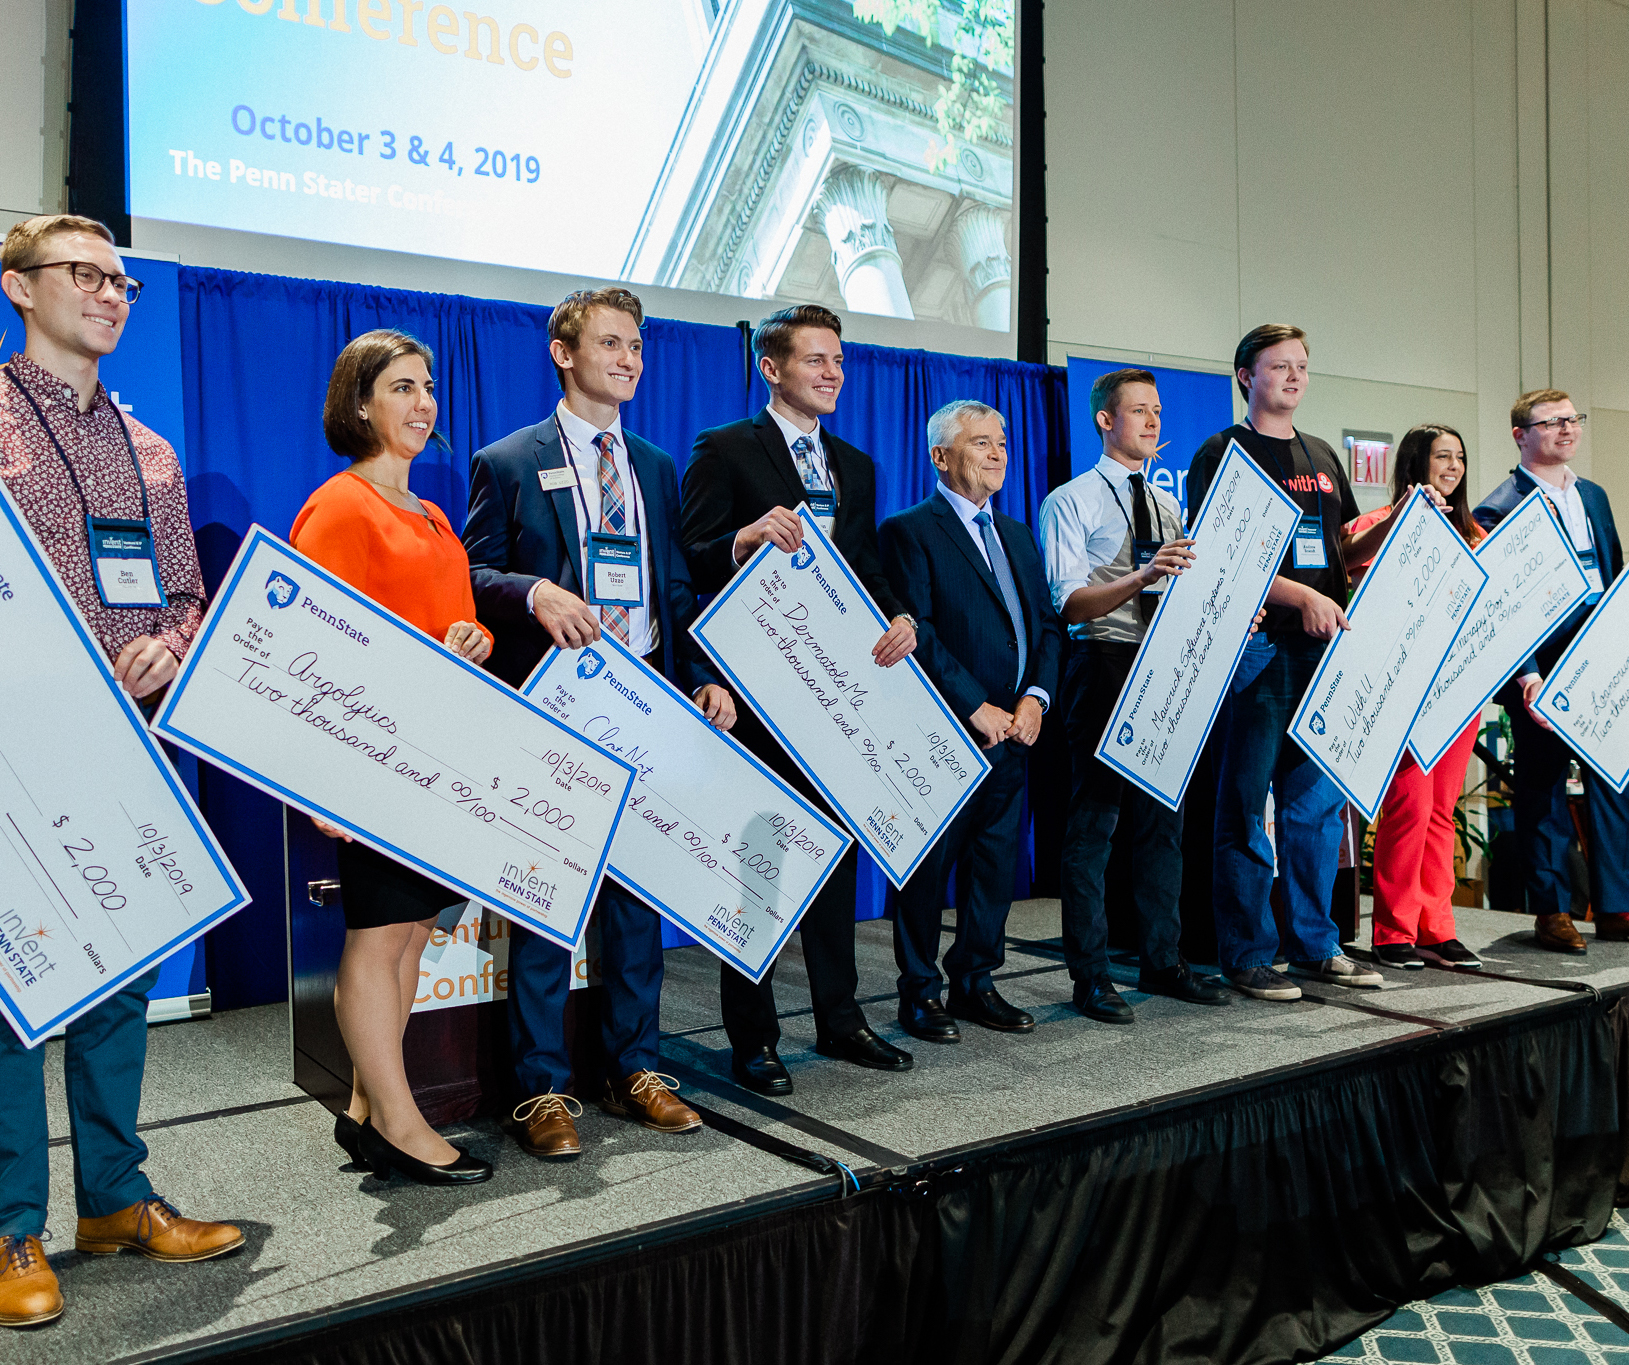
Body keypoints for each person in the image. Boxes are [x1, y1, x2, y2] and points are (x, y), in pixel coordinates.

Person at [0, 214, 242, 1329]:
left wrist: (173, 645)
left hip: (133, 737)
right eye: (82, 274)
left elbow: (184, 588)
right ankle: (12, 1226)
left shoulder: (150, 449)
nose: (107, 293)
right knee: (17, 990)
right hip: (19, 745)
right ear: (18, 289)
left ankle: (114, 1196)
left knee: (122, 970)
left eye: (121, 280)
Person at [464, 287, 732, 1159]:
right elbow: (472, 571)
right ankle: (541, 1087)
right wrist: (534, 592)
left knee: (635, 901)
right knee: (549, 899)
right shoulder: (508, 460)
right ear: (563, 352)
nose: (627, 359)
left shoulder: (655, 465)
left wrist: (700, 677)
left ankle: (636, 1068)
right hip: (555, 704)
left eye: (636, 346)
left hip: (647, 699)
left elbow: (676, 591)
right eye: (610, 343)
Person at [681, 304, 917, 1094]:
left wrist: (899, 615)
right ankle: (753, 1039)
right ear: (771, 368)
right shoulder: (724, 450)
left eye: (839, 361)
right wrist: (740, 541)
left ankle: (841, 1019)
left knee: (836, 867)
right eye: (815, 360)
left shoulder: (855, 463)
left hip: (835, 699)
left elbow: (867, 572)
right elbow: (686, 563)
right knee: (757, 864)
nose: (831, 373)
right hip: (754, 696)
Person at [292, 329, 495, 1187]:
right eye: (402, 387)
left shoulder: (433, 511)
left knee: (412, 933)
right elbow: (310, 648)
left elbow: (455, 617)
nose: (423, 403)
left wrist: (473, 637)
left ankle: (368, 1113)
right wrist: (321, 776)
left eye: (428, 387)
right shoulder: (339, 507)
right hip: (372, 756)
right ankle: (403, 1124)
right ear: (360, 402)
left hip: (433, 752)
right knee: (377, 939)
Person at [1185, 324, 1385, 1000]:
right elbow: (1219, 555)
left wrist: (1399, 526)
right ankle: (1246, 953)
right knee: (1244, 809)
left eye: (1302, 365)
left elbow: (1342, 549)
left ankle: (1313, 944)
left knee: (1314, 809)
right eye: (1279, 366)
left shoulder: (1322, 453)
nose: (1295, 377)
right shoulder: (1223, 453)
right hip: (1260, 649)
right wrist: (1298, 595)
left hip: (1322, 652)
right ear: (1245, 375)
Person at [1038, 369, 1231, 1022]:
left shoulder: (1167, 505)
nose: (1152, 422)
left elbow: (1180, 591)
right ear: (1103, 420)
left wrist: (1229, 610)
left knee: (1161, 824)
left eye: (1156, 411)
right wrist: (1145, 572)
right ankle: (1090, 976)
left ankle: (1162, 957)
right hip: (1101, 661)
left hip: (1161, 666)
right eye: (1138, 411)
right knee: (1094, 826)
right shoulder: (1070, 500)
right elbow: (1067, 603)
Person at [879, 401, 1062, 1041]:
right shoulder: (909, 530)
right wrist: (974, 706)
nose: (997, 452)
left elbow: (1045, 627)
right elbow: (917, 629)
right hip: (946, 733)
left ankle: (976, 982)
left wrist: (1034, 697)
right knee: (928, 872)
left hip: (1016, 731)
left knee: (993, 866)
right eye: (980, 442)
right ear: (939, 457)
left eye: (1002, 441)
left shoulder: (1015, 534)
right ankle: (920, 992)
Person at [1473, 389, 1628, 954]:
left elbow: (1612, 575)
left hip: (1599, 658)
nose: (1566, 430)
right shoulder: (1498, 507)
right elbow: (1499, 608)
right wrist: (1527, 675)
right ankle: (1552, 910)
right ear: (1521, 435)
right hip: (1540, 667)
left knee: (1615, 782)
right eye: (1551, 422)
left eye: (1572, 420)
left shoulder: (1594, 496)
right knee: (1542, 789)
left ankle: (1615, 906)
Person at [1345, 425, 1485, 969]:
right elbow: (1352, 583)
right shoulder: (1375, 525)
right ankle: (1394, 930)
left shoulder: (1474, 532)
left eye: (1459, 457)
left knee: (1443, 812)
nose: (1452, 466)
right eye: (1441, 456)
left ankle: (1437, 926)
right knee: (1409, 805)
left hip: (1457, 693)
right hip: (1401, 686)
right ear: (1414, 463)